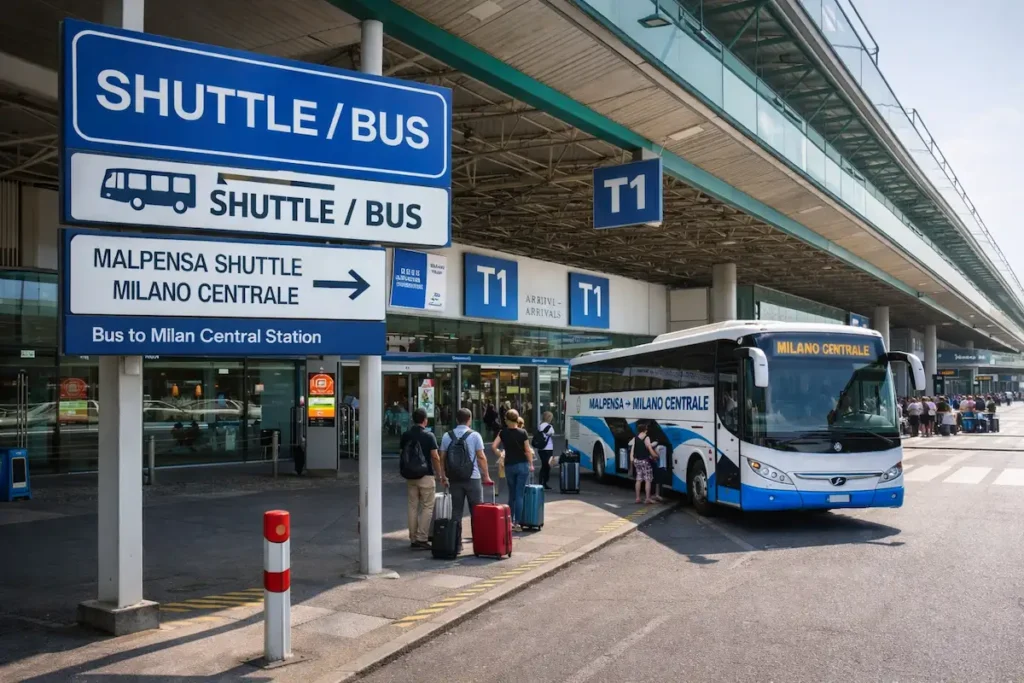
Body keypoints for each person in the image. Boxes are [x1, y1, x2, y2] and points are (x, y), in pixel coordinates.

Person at [439, 408, 492, 550]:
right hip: (473, 478)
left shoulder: (446, 436)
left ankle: (456, 544)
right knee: (477, 511)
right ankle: (479, 543)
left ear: (456, 420)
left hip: (454, 478)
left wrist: (443, 476)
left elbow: (442, 458)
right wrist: (486, 475)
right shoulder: (475, 435)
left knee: (456, 512)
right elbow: (481, 457)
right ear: (470, 419)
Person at [399, 408, 441, 550]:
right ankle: (421, 538)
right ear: (425, 420)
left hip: (410, 476)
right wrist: (440, 474)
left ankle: (412, 537)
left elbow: (402, 454)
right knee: (427, 506)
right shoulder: (429, 436)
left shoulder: (406, 435)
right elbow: (435, 456)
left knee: (412, 506)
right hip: (426, 475)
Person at [492, 408, 534, 530]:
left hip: (509, 465)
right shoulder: (523, 433)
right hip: (522, 465)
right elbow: (527, 450)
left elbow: (494, 446)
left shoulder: (502, 433)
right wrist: (531, 464)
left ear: (507, 420)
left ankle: (509, 521)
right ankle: (517, 523)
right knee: (520, 494)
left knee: (512, 494)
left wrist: (500, 454)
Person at [629, 420, 658, 505]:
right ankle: (647, 499)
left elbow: (633, 449)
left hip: (637, 461)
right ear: (645, 429)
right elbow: (650, 449)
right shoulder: (646, 438)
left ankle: (637, 498)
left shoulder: (636, 438)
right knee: (648, 480)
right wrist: (655, 456)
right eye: (646, 428)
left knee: (638, 479)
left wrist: (632, 459)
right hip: (644, 461)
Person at [535, 411, 555, 490]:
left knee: (544, 465)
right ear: (549, 418)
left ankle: (541, 482)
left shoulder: (540, 425)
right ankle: (544, 482)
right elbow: (552, 433)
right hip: (548, 448)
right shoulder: (549, 426)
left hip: (541, 448)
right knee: (547, 465)